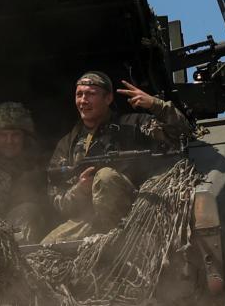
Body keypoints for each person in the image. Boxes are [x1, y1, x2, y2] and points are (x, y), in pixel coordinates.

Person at [42, 70, 192, 243]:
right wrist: (81, 190)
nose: (83, 100)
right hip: (89, 220)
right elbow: (58, 200)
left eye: (91, 94)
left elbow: (182, 133)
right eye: (79, 94)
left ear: (108, 98)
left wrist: (155, 105)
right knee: (44, 248)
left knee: (106, 177)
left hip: (136, 215)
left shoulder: (132, 125)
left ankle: (115, 245)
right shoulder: (67, 144)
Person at [0, 102, 49, 244]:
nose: (9, 141)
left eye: (15, 135)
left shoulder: (36, 166)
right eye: (3, 135)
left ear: (24, 138)